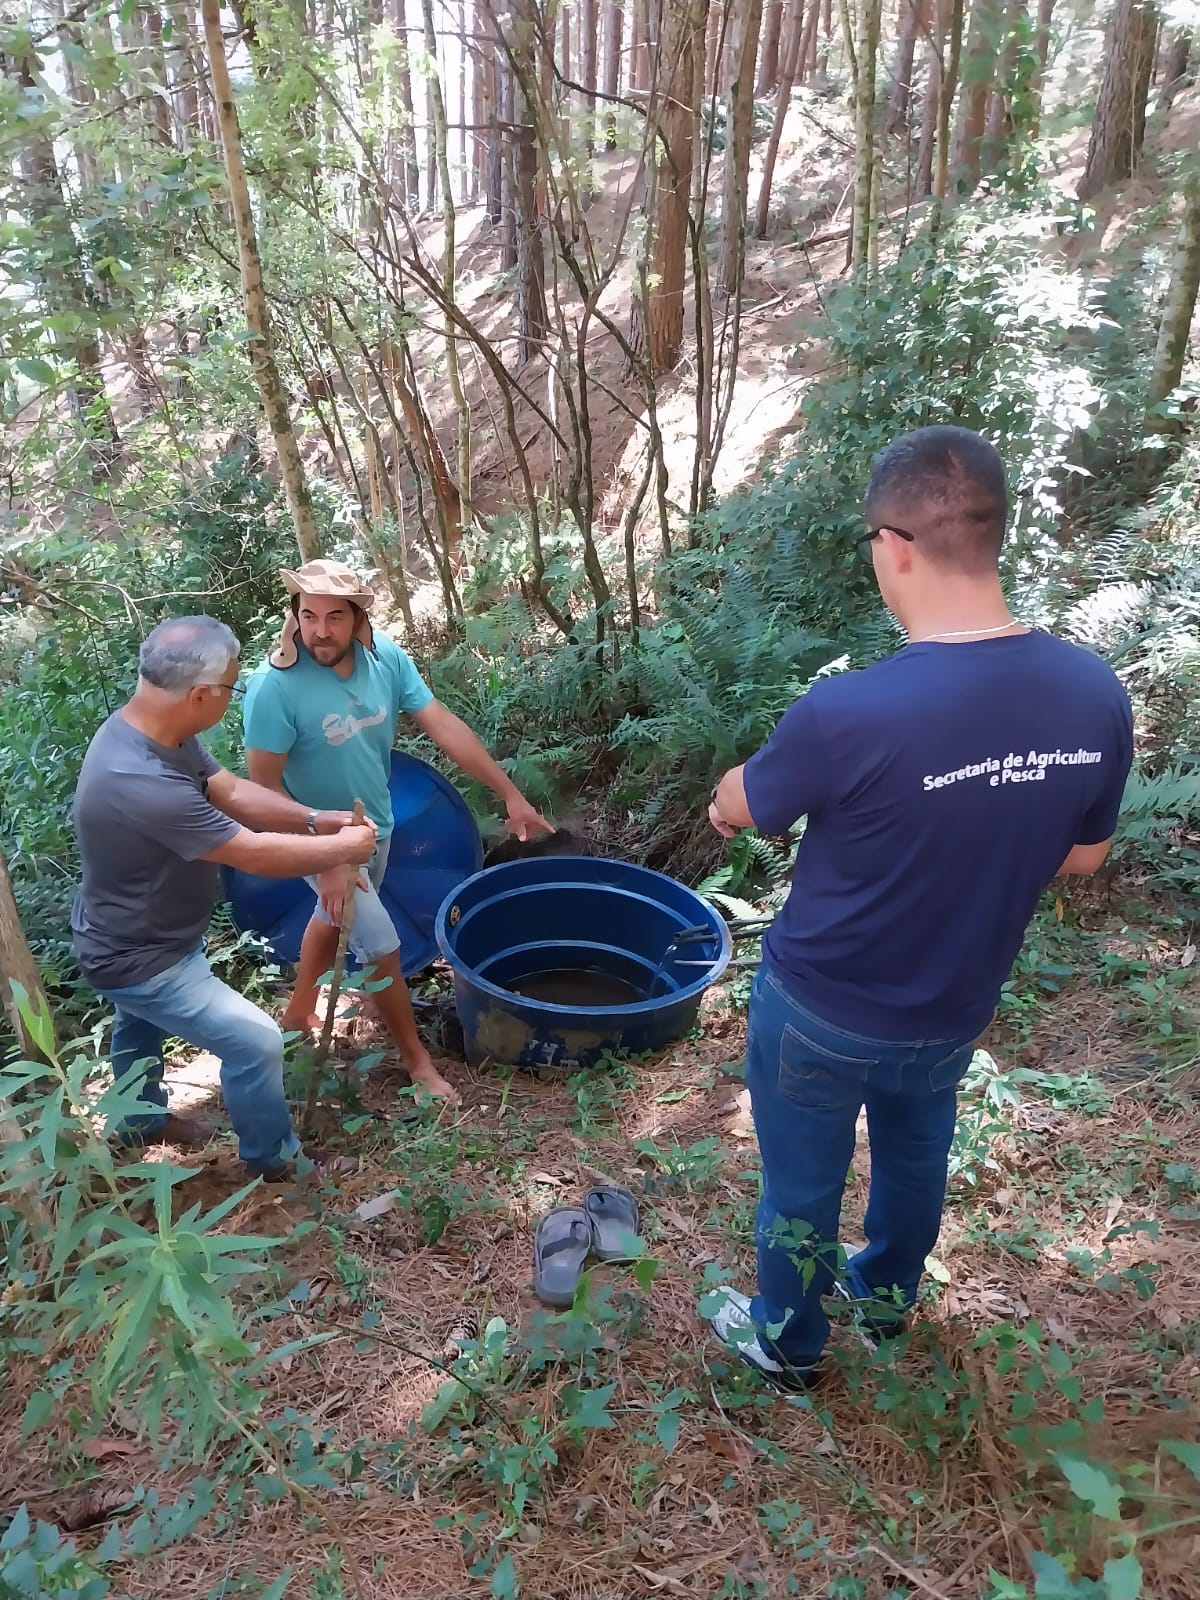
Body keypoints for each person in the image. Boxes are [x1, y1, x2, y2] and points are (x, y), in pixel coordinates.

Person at [704, 425, 1134, 1390]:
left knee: (802, 1183)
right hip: (954, 1004)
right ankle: (886, 1299)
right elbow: (1085, 854)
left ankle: (789, 1344)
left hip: (820, 1005)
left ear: (895, 545)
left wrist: (731, 792)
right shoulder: (1094, 692)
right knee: (913, 1156)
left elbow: (743, 806)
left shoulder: (849, 711)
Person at [71, 615, 379, 1179]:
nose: (232, 697)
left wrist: (316, 820)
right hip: (138, 957)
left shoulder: (156, 729)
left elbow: (230, 790)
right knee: (255, 1041)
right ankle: (274, 1159)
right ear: (200, 695)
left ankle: (139, 1121)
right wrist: (342, 849)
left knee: (137, 1025)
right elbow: (251, 852)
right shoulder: (138, 778)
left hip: (141, 932)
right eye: (231, 687)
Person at [242, 560, 552, 1103]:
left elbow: (443, 724)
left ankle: (298, 1011)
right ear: (295, 615)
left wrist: (510, 794)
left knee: (331, 917)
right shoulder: (275, 688)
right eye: (308, 616)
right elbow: (263, 791)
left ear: (358, 619)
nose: (320, 631)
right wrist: (326, 858)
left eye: (334, 617)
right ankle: (417, 1064)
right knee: (382, 943)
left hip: (375, 829)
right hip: (318, 840)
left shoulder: (385, 659)